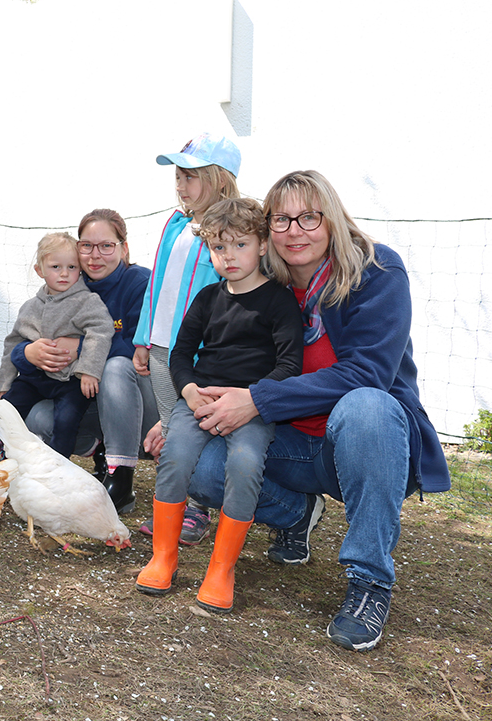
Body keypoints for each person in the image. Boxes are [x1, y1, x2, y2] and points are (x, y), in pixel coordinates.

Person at [185, 170, 448, 650]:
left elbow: (369, 372)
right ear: (266, 233)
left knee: (368, 405)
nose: (294, 230)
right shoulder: (264, 286)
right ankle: (295, 513)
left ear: (331, 218)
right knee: (201, 469)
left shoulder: (376, 272)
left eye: (308, 216)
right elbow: (225, 360)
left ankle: (370, 581)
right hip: (287, 441)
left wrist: (259, 399)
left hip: (362, 442)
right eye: (281, 219)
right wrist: (187, 407)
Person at [136, 197, 303, 613]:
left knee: (245, 465)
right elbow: (180, 353)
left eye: (240, 245)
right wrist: (189, 391)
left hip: (252, 404)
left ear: (263, 244)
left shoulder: (280, 301)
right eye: (218, 248)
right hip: (201, 399)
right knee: (174, 457)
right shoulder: (208, 298)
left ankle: (221, 569)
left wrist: (252, 398)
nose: (229, 257)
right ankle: (164, 555)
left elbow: (290, 364)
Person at [133, 133, 241, 543]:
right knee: (172, 424)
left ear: (219, 179)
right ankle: (174, 504)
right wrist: (143, 338)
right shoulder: (176, 223)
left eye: (189, 176)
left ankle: (198, 507)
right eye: (178, 176)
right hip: (162, 347)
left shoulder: (228, 233)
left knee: (195, 425)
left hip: (198, 353)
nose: (180, 185)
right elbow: (156, 284)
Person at [19, 209, 157, 514]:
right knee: (39, 418)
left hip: (146, 411)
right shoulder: (69, 286)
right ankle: (99, 450)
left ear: (123, 247)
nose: (95, 255)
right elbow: (24, 337)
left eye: (106, 245)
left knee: (117, 366)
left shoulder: (140, 283)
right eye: (86, 245)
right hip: (94, 404)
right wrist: (29, 353)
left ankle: (121, 481)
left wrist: (81, 347)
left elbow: (138, 350)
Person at [0, 233, 114, 457]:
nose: (63, 273)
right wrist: (5, 383)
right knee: (9, 408)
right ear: (39, 270)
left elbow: (101, 331)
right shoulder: (30, 306)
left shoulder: (87, 301)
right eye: (55, 266)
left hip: (71, 379)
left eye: (71, 267)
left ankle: (60, 464)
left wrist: (89, 370)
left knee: (66, 419)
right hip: (34, 378)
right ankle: (6, 454)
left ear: (80, 269)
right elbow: (13, 342)